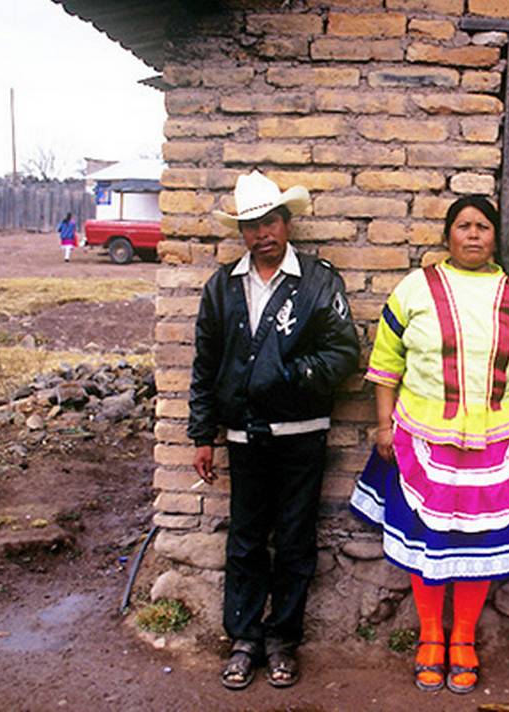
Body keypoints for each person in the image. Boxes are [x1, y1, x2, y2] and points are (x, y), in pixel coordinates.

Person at [349, 195, 509, 694]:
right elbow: (385, 362)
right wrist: (383, 427)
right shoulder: (415, 289)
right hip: (424, 439)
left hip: (496, 442)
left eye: (483, 227)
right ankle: (429, 638)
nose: (473, 235)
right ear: (447, 236)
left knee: (478, 544)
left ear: (494, 237)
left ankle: (462, 638)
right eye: (463, 226)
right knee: (429, 543)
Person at [187, 170, 360, 691]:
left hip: (301, 433)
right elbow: (205, 364)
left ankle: (283, 640)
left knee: (293, 540)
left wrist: (288, 374)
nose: (262, 234)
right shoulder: (223, 287)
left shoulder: (318, 281)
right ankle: (244, 640)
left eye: (271, 222)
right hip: (242, 436)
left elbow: (344, 352)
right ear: (241, 233)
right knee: (243, 540)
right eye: (251, 226)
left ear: (287, 224)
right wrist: (202, 435)